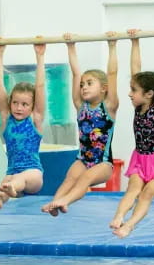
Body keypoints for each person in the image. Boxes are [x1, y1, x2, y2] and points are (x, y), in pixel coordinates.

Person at [41, 32, 119, 216]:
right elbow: (76, 73)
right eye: (83, 84)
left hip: (103, 163)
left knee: (84, 179)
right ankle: (55, 204)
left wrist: (112, 46)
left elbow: (113, 73)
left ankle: (64, 201)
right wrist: (71, 46)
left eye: (89, 83)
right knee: (69, 179)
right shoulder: (80, 106)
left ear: (104, 88)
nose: (83, 86)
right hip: (83, 159)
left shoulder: (109, 106)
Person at [110, 27, 154, 238]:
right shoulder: (138, 107)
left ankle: (128, 225)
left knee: (146, 195)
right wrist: (135, 42)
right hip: (140, 159)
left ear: (148, 94)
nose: (129, 94)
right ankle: (119, 217)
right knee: (132, 189)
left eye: (133, 91)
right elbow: (135, 69)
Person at [0, 39, 46, 209]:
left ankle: (7, 190)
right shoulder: (6, 118)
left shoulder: (35, 119)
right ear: (10, 103)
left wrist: (40, 56)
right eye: (15, 103)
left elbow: (39, 87)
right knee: (5, 186)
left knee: (16, 181)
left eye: (24, 104)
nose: (19, 108)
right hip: (11, 173)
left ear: (32, 107)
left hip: (33, 174)